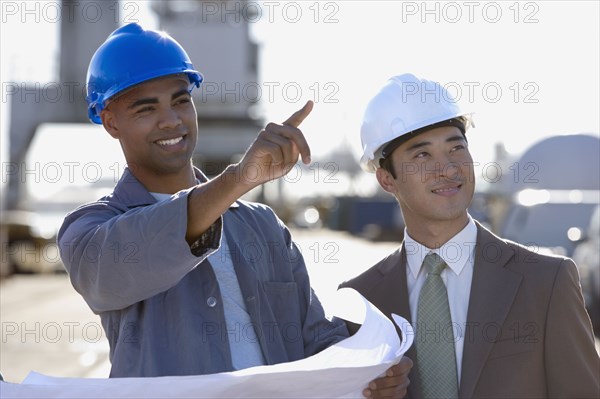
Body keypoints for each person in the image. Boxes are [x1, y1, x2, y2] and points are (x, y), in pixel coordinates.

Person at [57, 23, 412, 397]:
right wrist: (241, 177)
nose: (171, 120)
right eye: (147, 108)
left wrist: (371, 372)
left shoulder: (262, 226)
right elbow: (141, 250)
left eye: (180, 101)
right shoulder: (90, 232)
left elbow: (311, 339)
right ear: (111, 122)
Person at [340, 73, 600, 398]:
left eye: (456, 148)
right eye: (422, 155)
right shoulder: (359, 300)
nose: (448, 169)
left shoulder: (547, 283)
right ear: (386, 179)